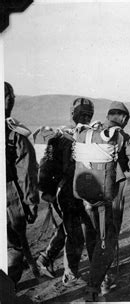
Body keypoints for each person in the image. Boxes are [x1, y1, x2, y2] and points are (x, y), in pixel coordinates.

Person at [76, 101, 130, 301]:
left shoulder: (90, 131)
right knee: (109, 236)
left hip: (86, 192)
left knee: (93, 235)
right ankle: (98, 284)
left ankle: (98, 274)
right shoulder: (121, 135)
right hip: (110, 193)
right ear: (124, 118)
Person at [35, 98, 97, 286]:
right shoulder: (62, 137)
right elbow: (47, 165)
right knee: (75, 233)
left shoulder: (89, 135)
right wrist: (47, 190)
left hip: (81, 192)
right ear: (73, 114)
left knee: (72, 229)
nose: (85, 117)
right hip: (65, 193)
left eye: (88, 114)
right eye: (82, 114)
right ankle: (69, 275)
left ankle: (45, 259)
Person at [4, 81, 40, 286]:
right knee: (13, 248)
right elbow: (26, 174)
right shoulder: (14, 135)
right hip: (9, 197)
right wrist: (31, 203)